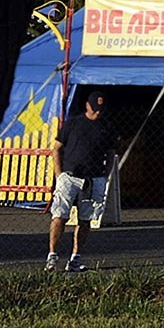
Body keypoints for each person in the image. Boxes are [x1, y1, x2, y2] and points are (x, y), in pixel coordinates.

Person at [47, 89, 117, 272]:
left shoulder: (107, 127)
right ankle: (52, 256)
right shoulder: (73, 124)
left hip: (93, 178)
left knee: (85, 220)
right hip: (69, 176)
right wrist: (59, 174)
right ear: (87, 106)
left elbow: (111, 153)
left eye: (100, 110)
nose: (97, 113)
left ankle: (75, 258)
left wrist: (105, 174)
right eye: (94, 109)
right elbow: (56, 148)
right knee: (59, 215)